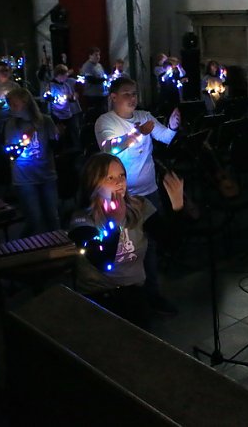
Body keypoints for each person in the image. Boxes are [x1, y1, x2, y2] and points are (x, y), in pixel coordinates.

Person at [94, 77, 181, 315]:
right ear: (113, 97)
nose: (132, 98)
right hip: (122, 197)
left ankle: (152, 294)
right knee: (126, 249)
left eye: (134, 93)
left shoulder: (145, 116)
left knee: (151, 245)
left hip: (148, 192)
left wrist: (173, 126)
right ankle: (127, 297)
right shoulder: (106, 121)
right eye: (126, 94)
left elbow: (166, 137)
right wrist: (137, 134)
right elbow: (108, 148)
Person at [70, 153, 184, 330]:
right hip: (99, 296)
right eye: (110, 177)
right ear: (93, 182)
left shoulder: (140, 206)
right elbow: (104, 262)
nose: (119, 182)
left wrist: (177, 207)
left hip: (134, 290)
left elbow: (171, 242)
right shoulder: (82, 219)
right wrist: (114, 224)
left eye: (122, 175)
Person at [4, 88, 60, 237]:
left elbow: (56, 147)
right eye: (10, 105)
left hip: (46, 175)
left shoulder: (45, 121)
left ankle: (60, 249)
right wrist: (24, 142)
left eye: (15, 104)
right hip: (24, 179)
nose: (12, 108)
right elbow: (11, 154)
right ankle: (24, 249)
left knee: (53, 218)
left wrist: (58, 136)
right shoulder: (11, 125)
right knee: (34, 219)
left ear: (26, 103)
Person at [44, 64, 80, 151]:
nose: (66, 77)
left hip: (67, 114)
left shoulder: (66, 85)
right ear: (59, 75)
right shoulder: (51, 86)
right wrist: (51, 97)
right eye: (64, 75)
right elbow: (46, 97)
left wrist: (73, 97)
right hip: (56, 115)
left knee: (70, 134)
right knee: (60, 135)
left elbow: (71, 99)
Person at [79, 47, 108, 120]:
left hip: (102, 94)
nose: (98, 57)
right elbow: (91, 80)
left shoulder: (99, 65)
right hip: (93, 96)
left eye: (99, 55)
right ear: (90, 56)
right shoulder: (87, 66)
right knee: (96, 116)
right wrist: (104, 79)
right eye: (96, 55)